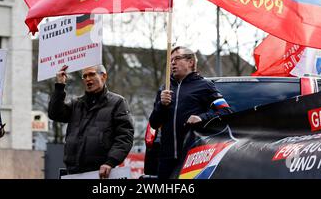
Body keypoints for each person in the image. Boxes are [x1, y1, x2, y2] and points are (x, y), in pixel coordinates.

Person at [149, 46, 232, 179]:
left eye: (177, 59)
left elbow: (226, 111)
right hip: (166, 159)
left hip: (193, 158)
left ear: (190, 62)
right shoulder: (165, 89)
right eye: (170, 60)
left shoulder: (204, 86)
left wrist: (201, 118)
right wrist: (161, 105)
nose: (172, 63)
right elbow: (154, 123)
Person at [48, 64, 134, 179]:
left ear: (103, 76)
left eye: (92, 74)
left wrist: (110, 162)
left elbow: (124, 136)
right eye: (85, 76)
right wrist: (59, 86)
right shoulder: (76, 104)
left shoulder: (117, 103)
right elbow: (55, 114)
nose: (88, 78)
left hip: (101, 173)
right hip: (73, 173)